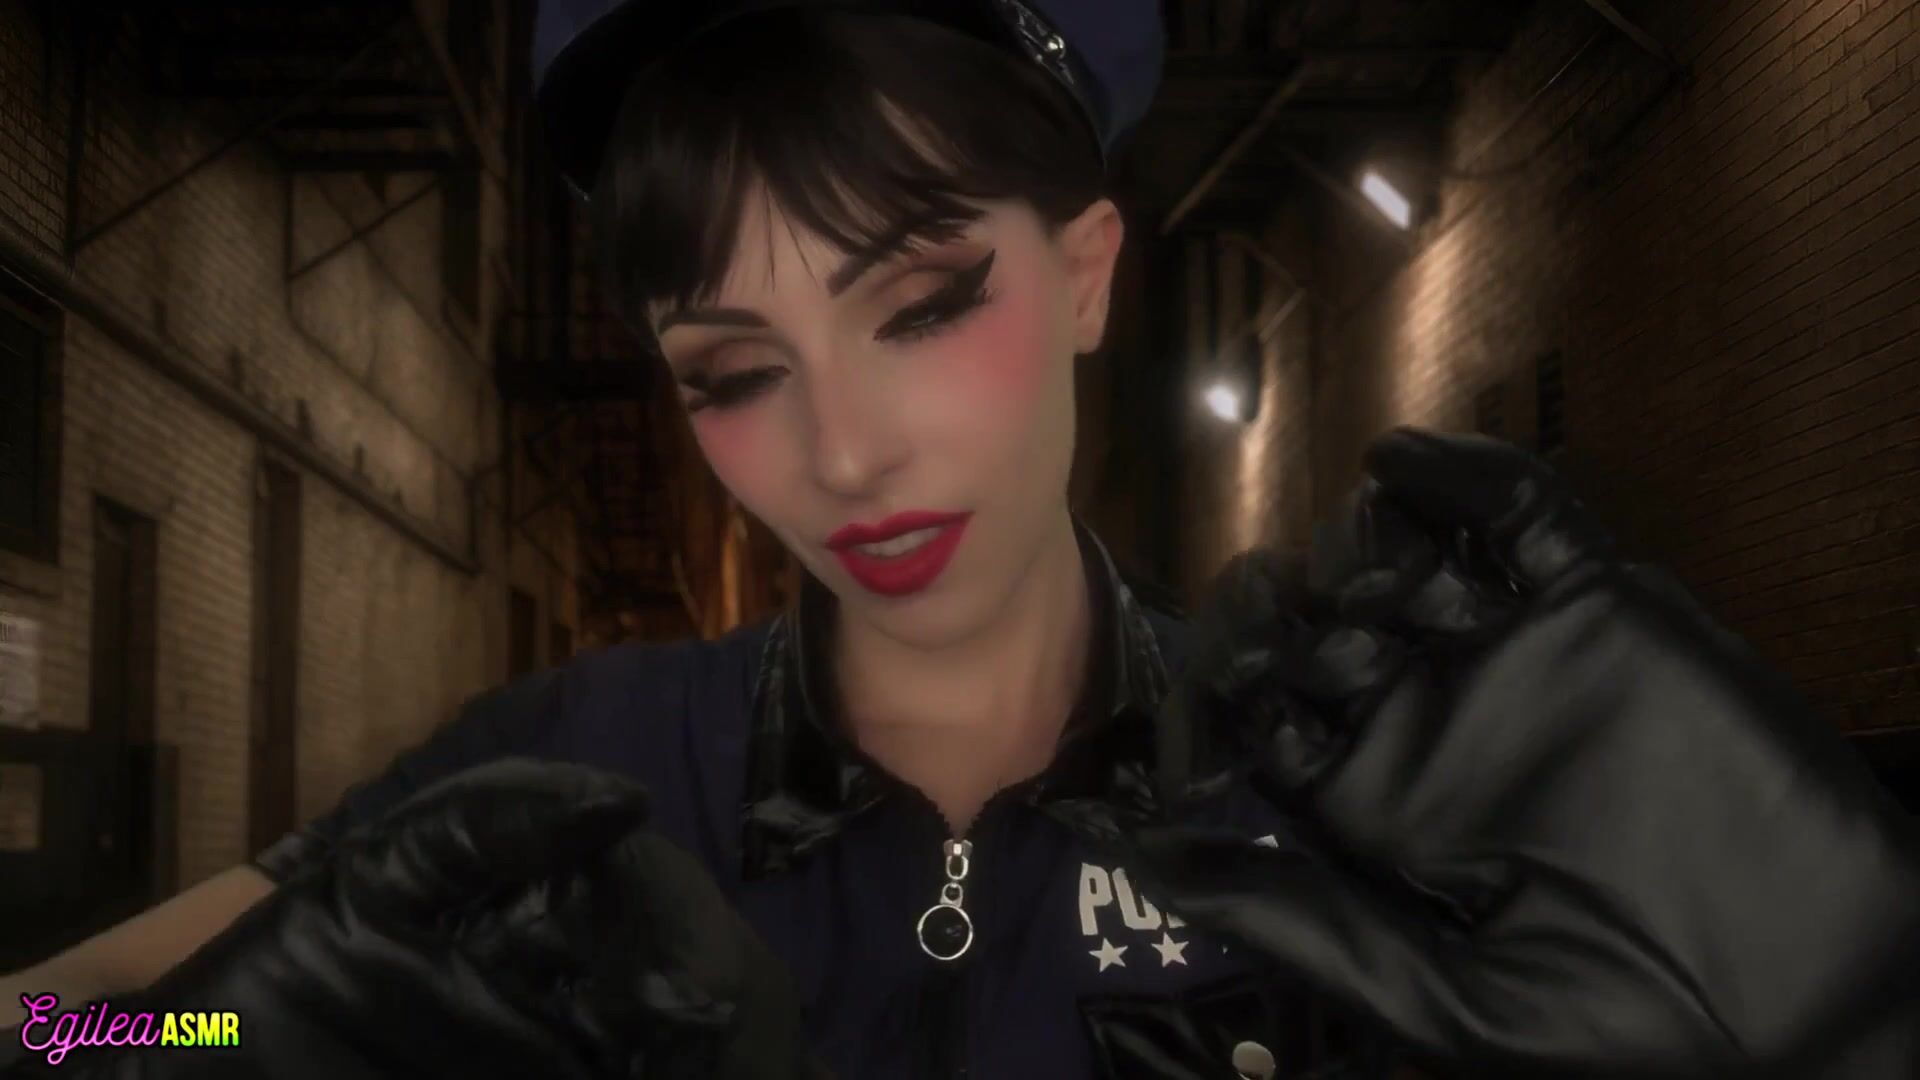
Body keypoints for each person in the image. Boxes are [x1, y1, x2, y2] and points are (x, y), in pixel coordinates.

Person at [6, 1, 1919, 1077]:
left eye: (923, 305)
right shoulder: (571, 768)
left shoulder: (1364, 793)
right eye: (731, 372)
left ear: (1086, 271)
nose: (842, 453)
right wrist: (221, 1035)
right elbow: (57, 1028)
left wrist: (1856, 1040)